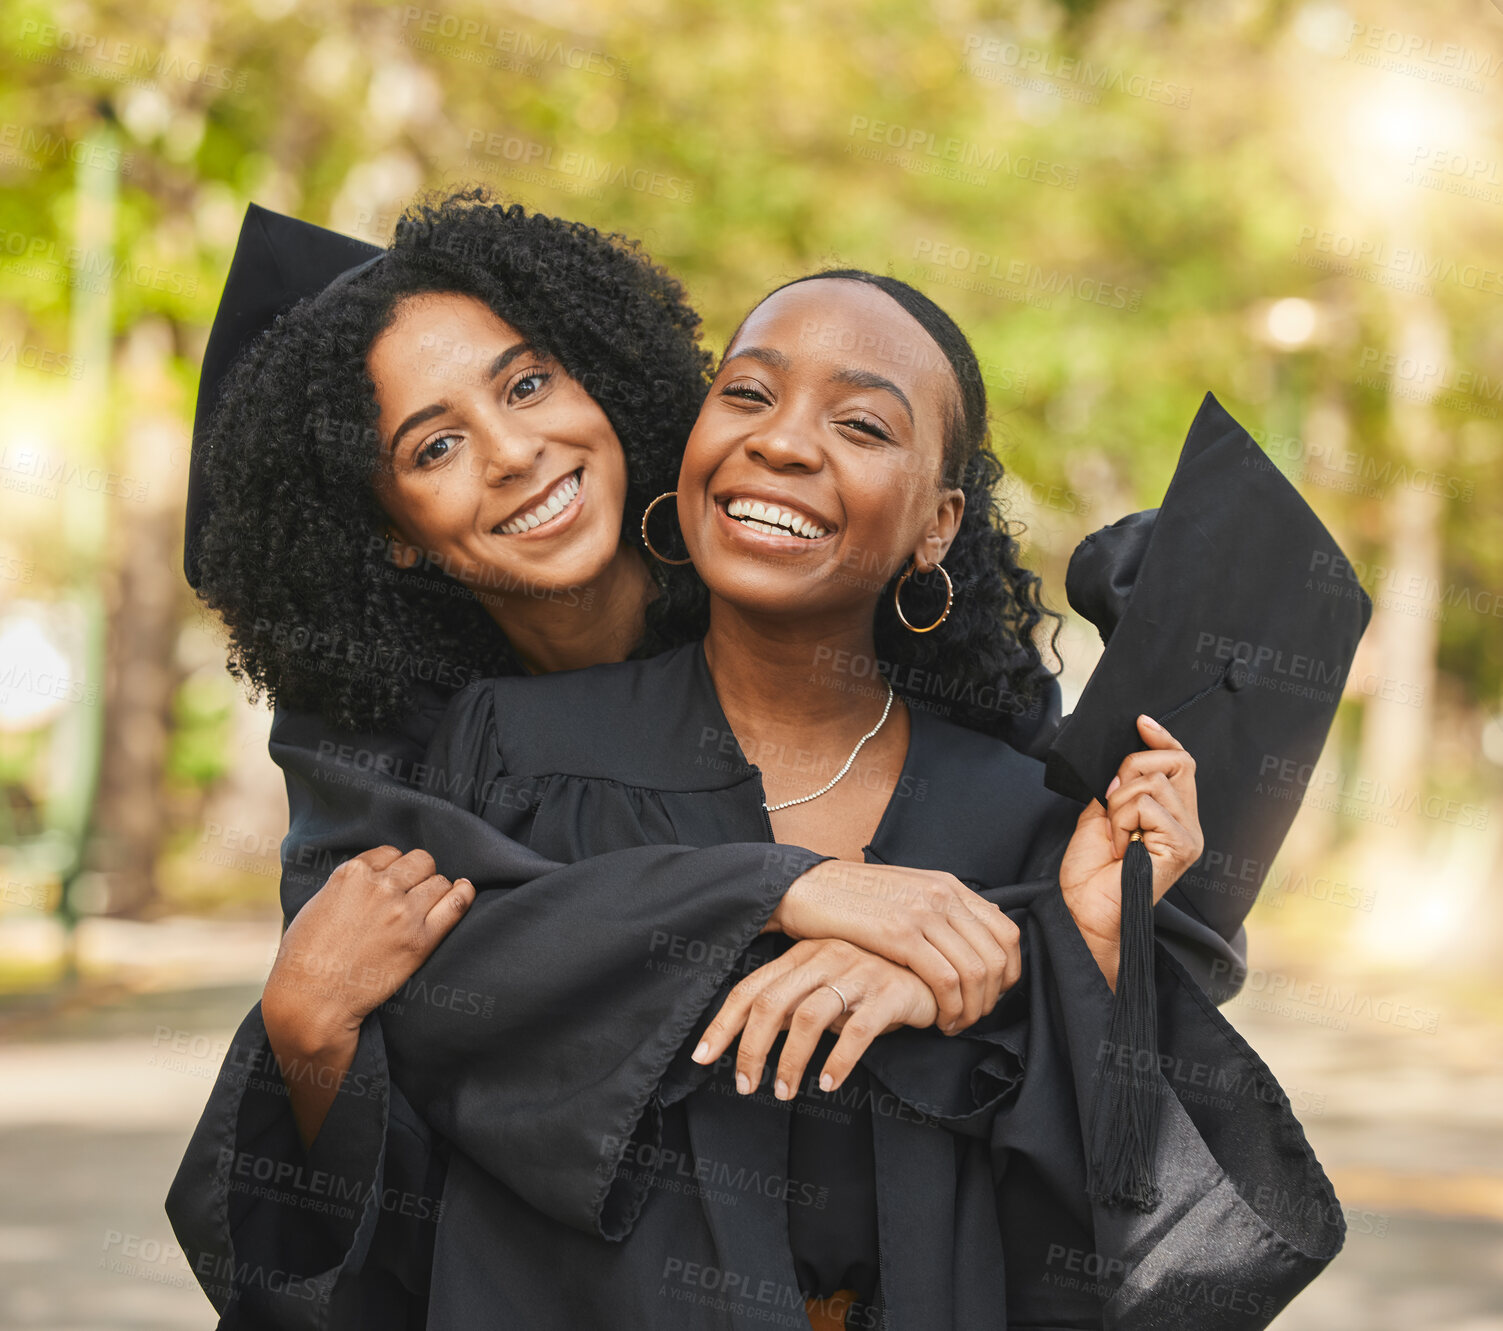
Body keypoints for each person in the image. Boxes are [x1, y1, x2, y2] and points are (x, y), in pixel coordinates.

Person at [171, 268, 1355, 1329]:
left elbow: (1108, 1225)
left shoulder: (1012, 811)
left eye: (860, 422)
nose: (785, 442)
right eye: (747, 394)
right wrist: (788, 896)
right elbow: (441, 1096)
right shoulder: (500, 752)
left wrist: (1065, 953)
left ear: (940, 523)